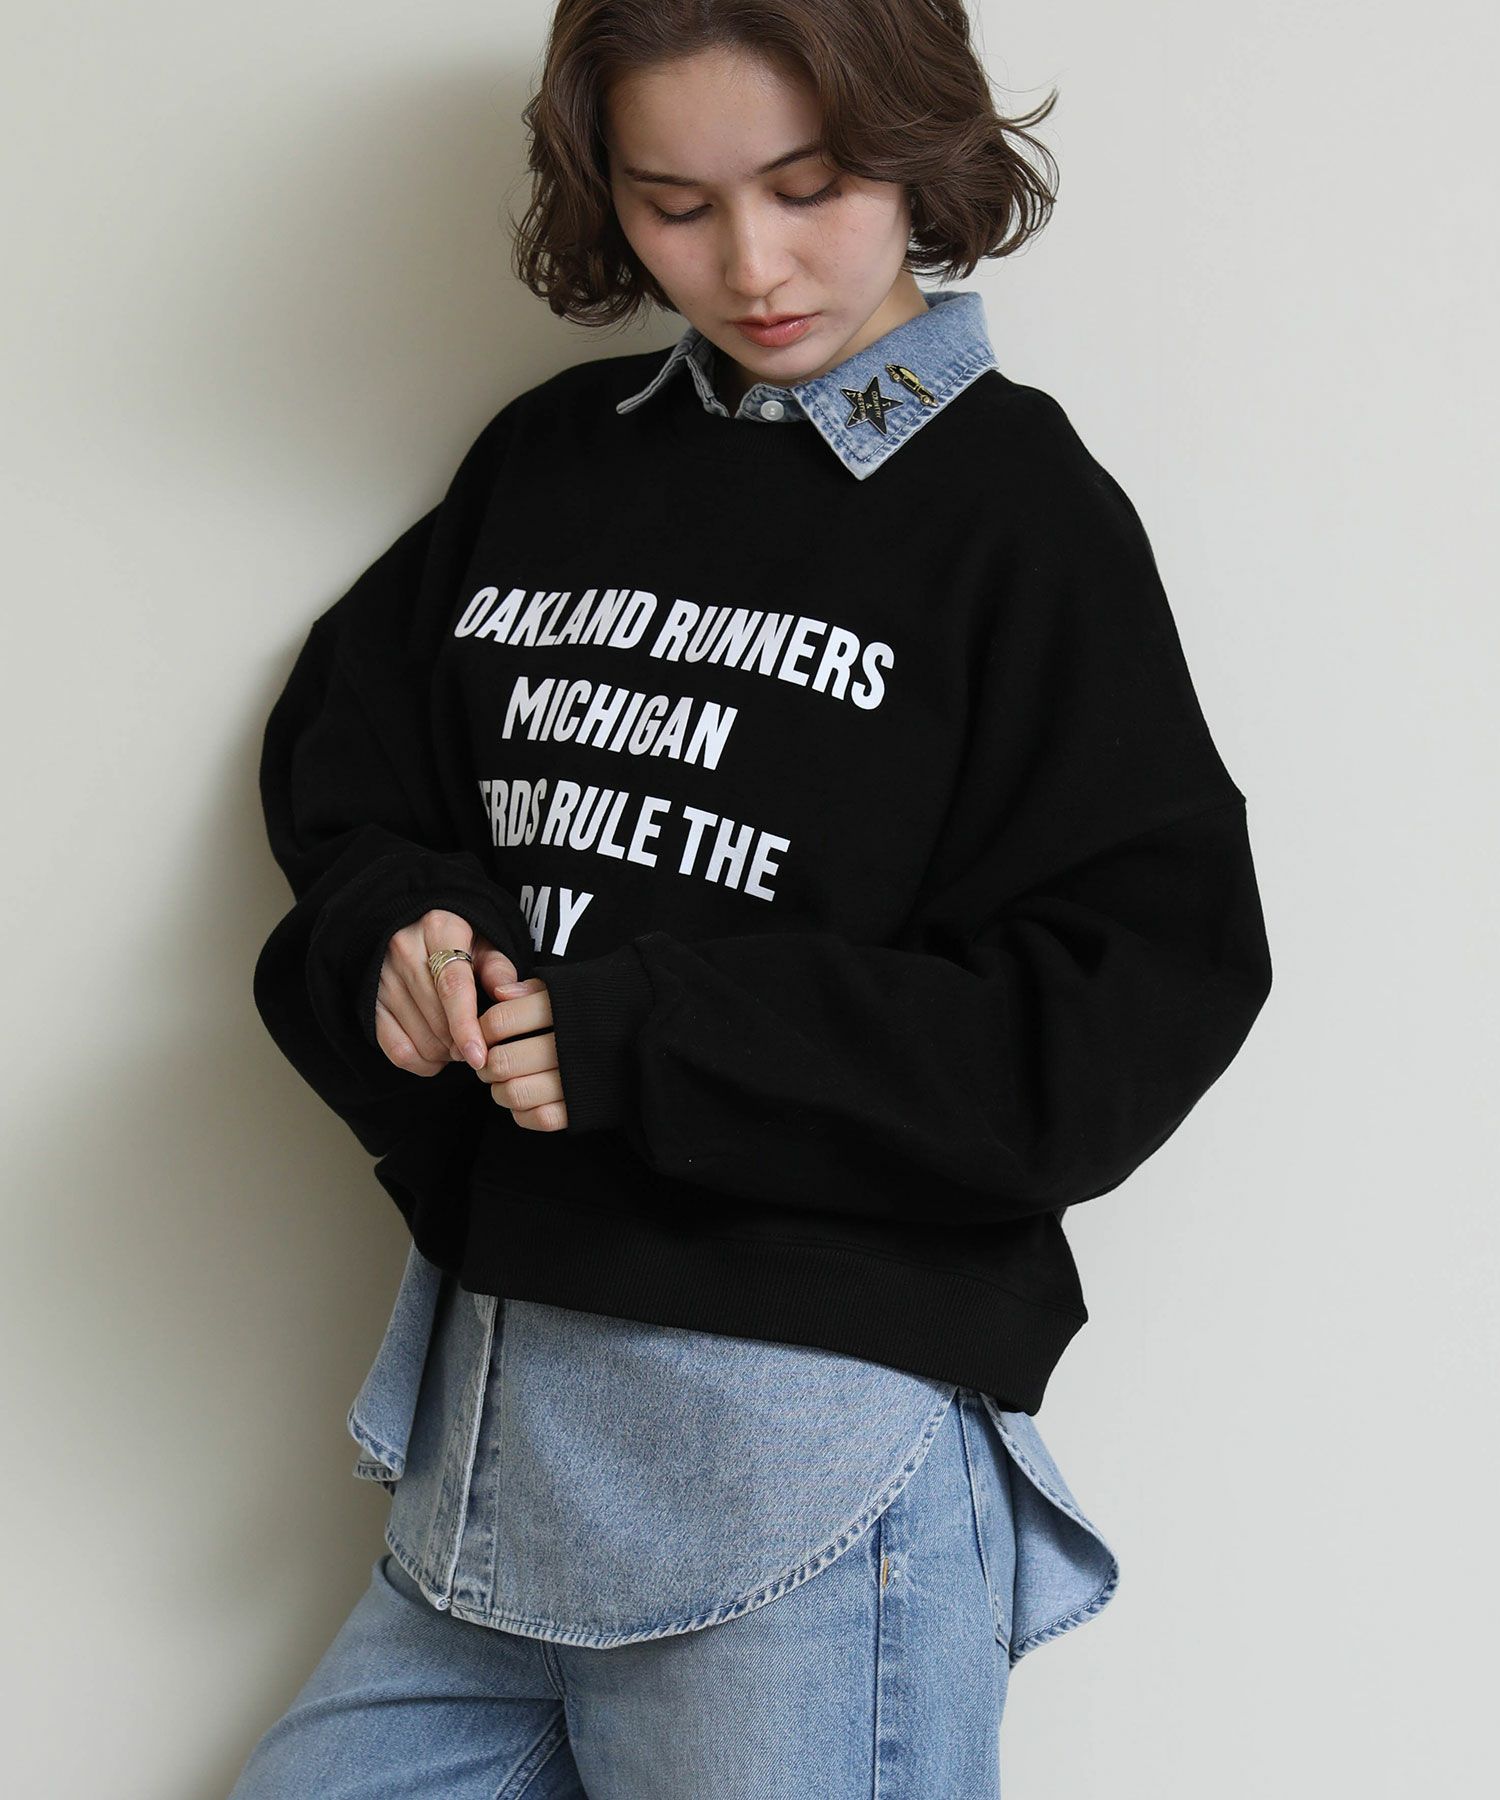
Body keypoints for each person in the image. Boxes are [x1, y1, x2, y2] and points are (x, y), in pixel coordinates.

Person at [232, 1, 1272, 1794]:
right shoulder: (554, 460)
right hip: (492, 1425)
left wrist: (656, 1038)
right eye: (675, 204)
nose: (753, 264)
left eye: (810, 187)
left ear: (919, 148)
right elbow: (353, 769)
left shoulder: (1017, 514)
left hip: (807, 1463)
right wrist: (407, 934)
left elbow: (1126, 1003)